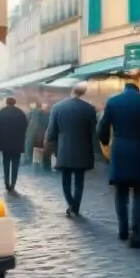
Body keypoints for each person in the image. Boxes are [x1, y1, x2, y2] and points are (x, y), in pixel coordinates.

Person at [98, 78, 140, 248]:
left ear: (124, 87)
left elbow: (102, 127)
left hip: (119, 150)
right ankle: (137, 232)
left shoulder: (113, 102)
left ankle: (123, 229)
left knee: (121, 191)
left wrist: (105, 141)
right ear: (138, 88)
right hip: (139, 149)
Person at [46, 83, 97, 217]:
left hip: (64, 148)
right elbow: (93, 131)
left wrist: (50, 145)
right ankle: (76, 206)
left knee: (66, 179)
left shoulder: (57, 107)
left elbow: (51, 131)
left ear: (71, 91)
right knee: (79, 181)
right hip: (83, 148)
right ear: (83, 93)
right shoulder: (89, 109)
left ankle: (71, 204)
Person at [0, 97, 28, 191]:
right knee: (16, 163)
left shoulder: (1, 112)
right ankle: (13, 183)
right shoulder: (20, 112)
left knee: (6, 163)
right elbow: (25, 126)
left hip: (5, 142)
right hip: (17, 142)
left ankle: (6, 183)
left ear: (6, 102)